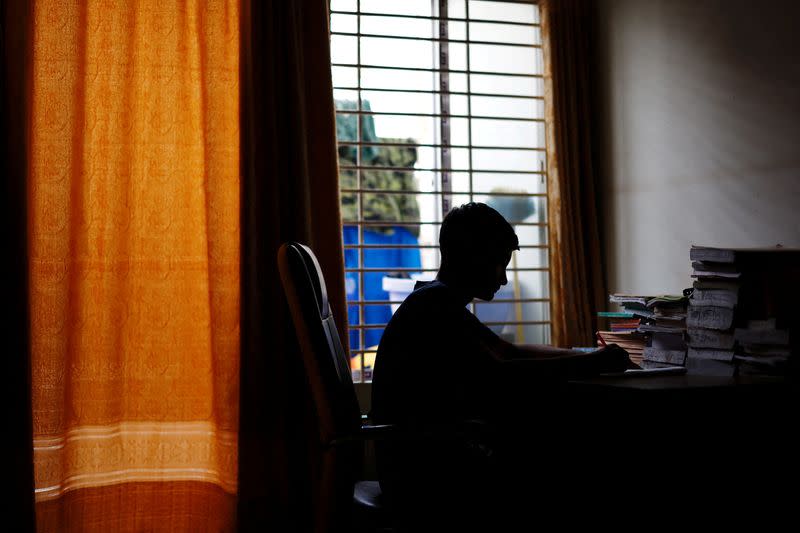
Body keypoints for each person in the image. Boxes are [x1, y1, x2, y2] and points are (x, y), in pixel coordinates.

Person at [370, 202, 636, 530]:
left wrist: (580, 353)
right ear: (473, 256)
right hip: (423, 471)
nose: (505, 278)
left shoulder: (435, 300)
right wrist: (590, 363)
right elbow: (499, 375)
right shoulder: (435, 308)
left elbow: (507, 351)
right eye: (499, 265)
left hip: (422, 458)